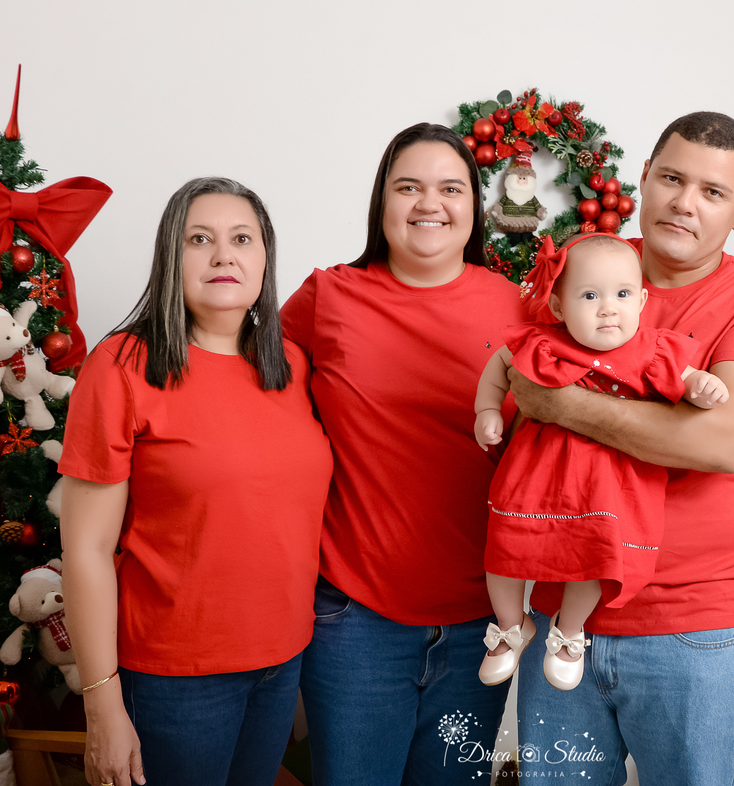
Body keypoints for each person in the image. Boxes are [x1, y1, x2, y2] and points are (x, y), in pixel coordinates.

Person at [508, 111, 734, 784]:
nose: (684, 201)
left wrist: (562, 405)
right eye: (672, 178)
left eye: (713, 192)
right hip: (560, 617)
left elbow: (719, 444)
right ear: (643, 177)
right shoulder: (579, 271)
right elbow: (512, 400)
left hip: (690, 631)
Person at [60, 177, 333, 786]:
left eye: (243, 239)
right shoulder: (122, 366)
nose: (223, 255)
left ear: (265, 258)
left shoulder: (291, 365)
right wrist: (102, 703)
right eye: (199, 239)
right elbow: (85, 549)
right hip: (174, 675)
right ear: (169, 257)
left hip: (281, 661)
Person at [280, 123, 528, 786]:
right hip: (356, 620)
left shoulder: (518, 308)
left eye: (450, 188)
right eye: (408, 186)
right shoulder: (327, 298)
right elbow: (248, 397)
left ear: (473, 206)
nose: (429, 203)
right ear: (381, 201)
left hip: (482, 620)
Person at [474, 232, 728, 691]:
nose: (608, 307)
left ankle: (570, 629)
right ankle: (511, 626)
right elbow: (500, 364)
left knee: (597, 557)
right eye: (589, 295)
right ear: (558, 307)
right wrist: (487, 410)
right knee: (505, 548)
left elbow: (688, 379)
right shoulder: (544, 342)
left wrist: (702, 387)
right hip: (535, 476)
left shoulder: (652, 350)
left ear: (643, 300)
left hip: (609, 487)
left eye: (623, 295)